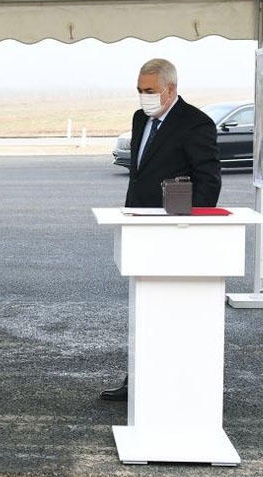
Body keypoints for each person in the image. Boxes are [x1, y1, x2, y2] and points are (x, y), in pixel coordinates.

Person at [100, 57, 222, 402]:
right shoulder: (141, 119)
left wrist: (191, 225)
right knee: (143, 307)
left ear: (171, 90)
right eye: (139, 91)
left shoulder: (196, 123)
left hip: (175, 231)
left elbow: (209, 181)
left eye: (150, 91)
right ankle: (137, 378)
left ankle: (171, 382)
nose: (143, 97)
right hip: (140, 227)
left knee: (172, 310)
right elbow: (140, 172)